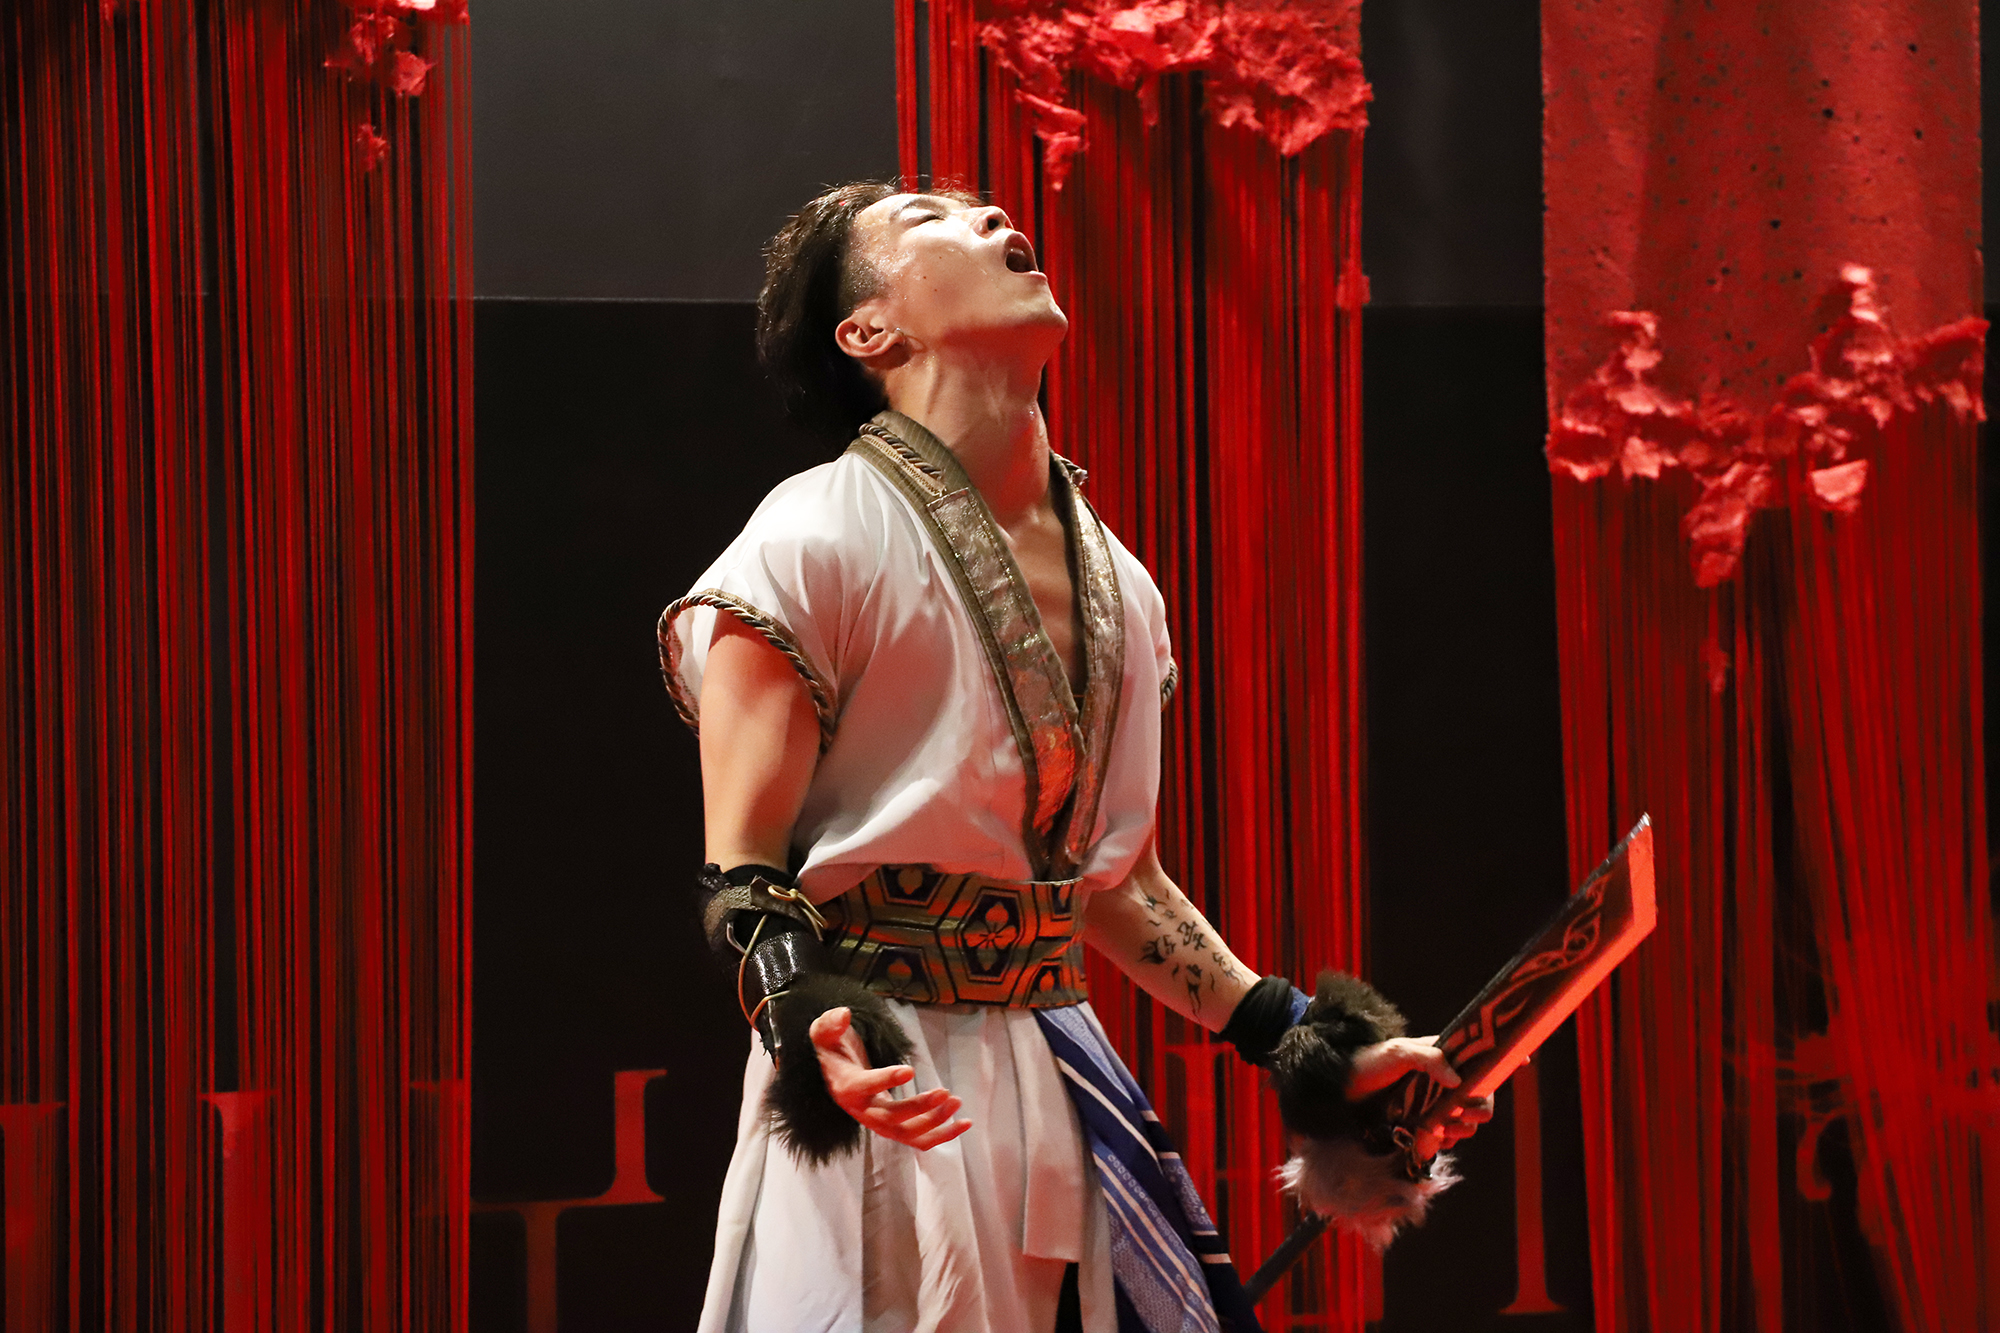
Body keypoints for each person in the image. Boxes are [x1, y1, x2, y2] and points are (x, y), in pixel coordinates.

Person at [658, 181, 1491, 1333]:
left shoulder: (1122, 585)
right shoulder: (807, 540)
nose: (993, 217)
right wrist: (807, 1027)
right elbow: (745, 878)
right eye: (931, 218)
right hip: (886, 1087)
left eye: (983, 207)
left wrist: (1297, 1037)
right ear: (868, 331)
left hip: (1056, 1068)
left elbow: (1109, 880)